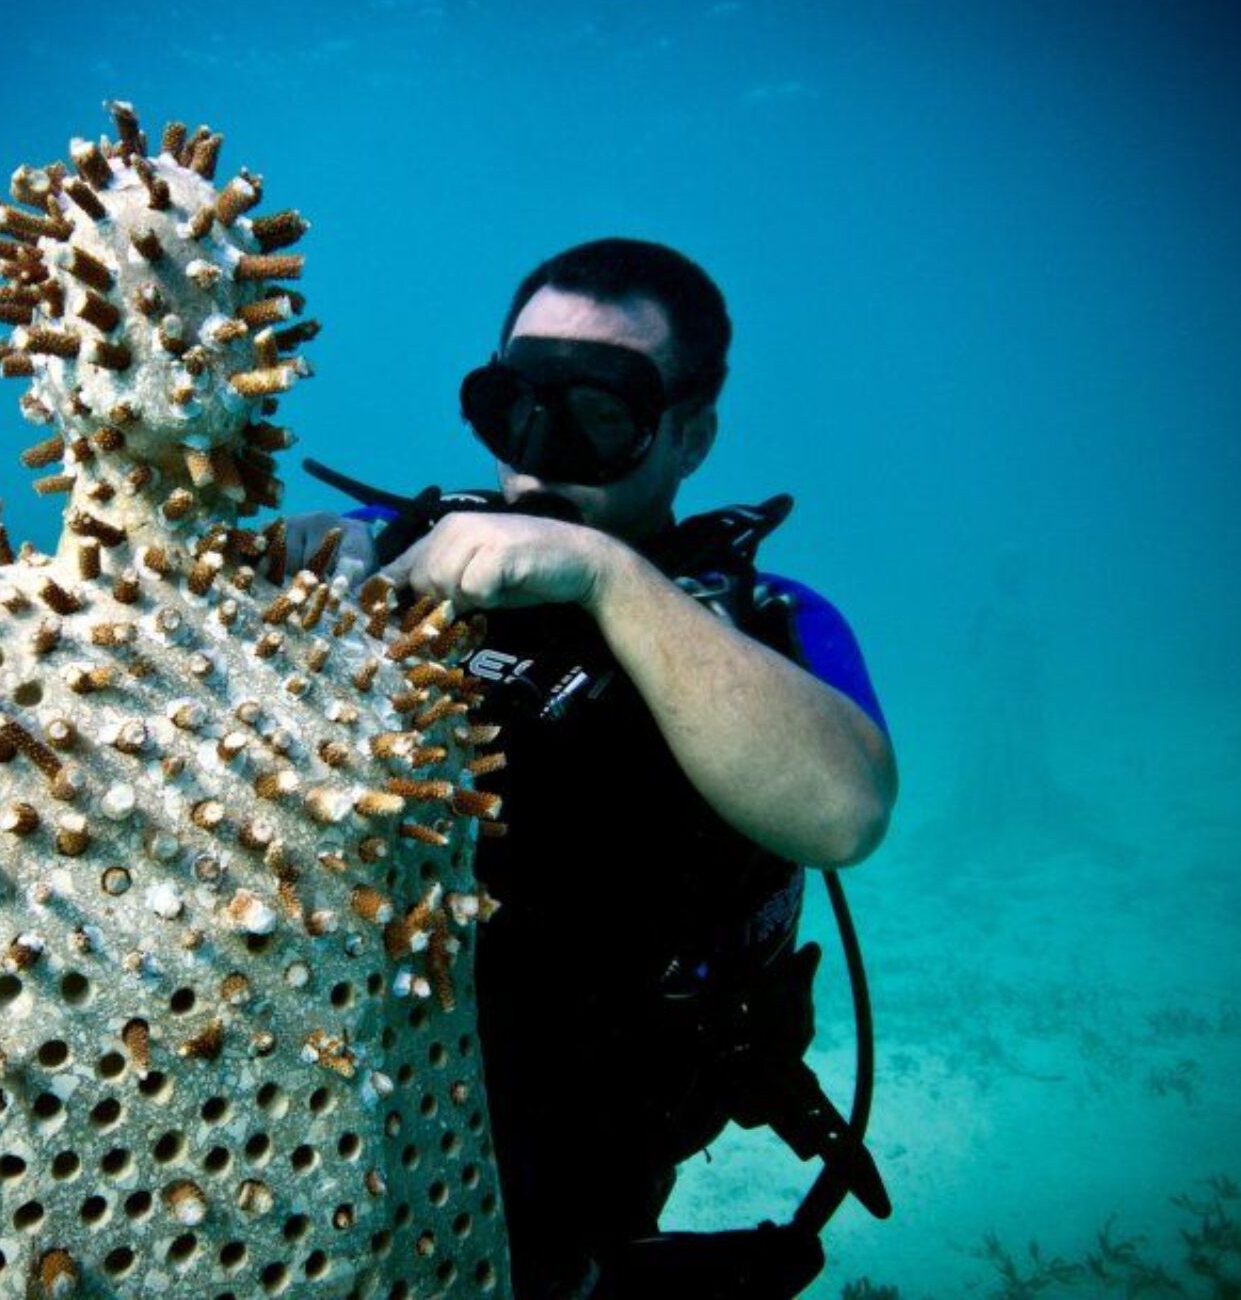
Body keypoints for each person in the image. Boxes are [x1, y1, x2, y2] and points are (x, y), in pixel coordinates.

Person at [282, 238, 897, 1298]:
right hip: (319, 1095)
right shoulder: (395, 549)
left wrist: (604, 576)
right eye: (511, 409)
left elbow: (843, 811)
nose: (536, 459)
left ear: (690, 435)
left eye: (597, 419)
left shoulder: (765, 623)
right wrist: (293, 551)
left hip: (580, 1143)